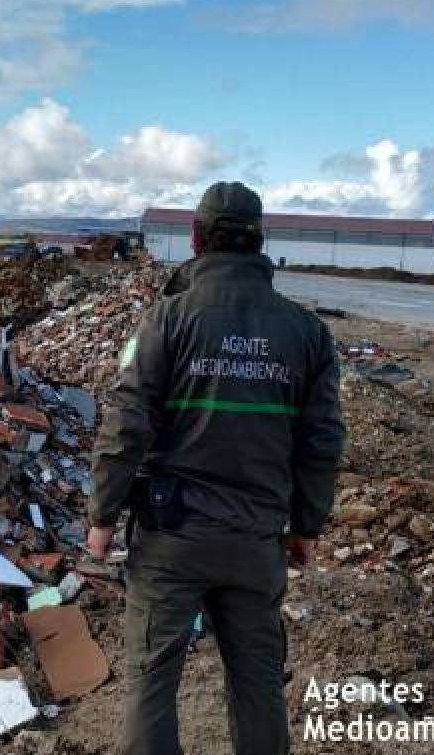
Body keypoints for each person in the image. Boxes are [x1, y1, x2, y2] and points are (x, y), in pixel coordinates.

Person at [87, 181, 345, 755]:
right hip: (256, 540)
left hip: (171, 540)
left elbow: (127, 423)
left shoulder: (165, 321)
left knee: (152, 680)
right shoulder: (307, 333)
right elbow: (321, 441)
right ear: (259, 242)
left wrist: (102, 515)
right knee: (257, 680)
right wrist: (307, 527)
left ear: (197, 239)